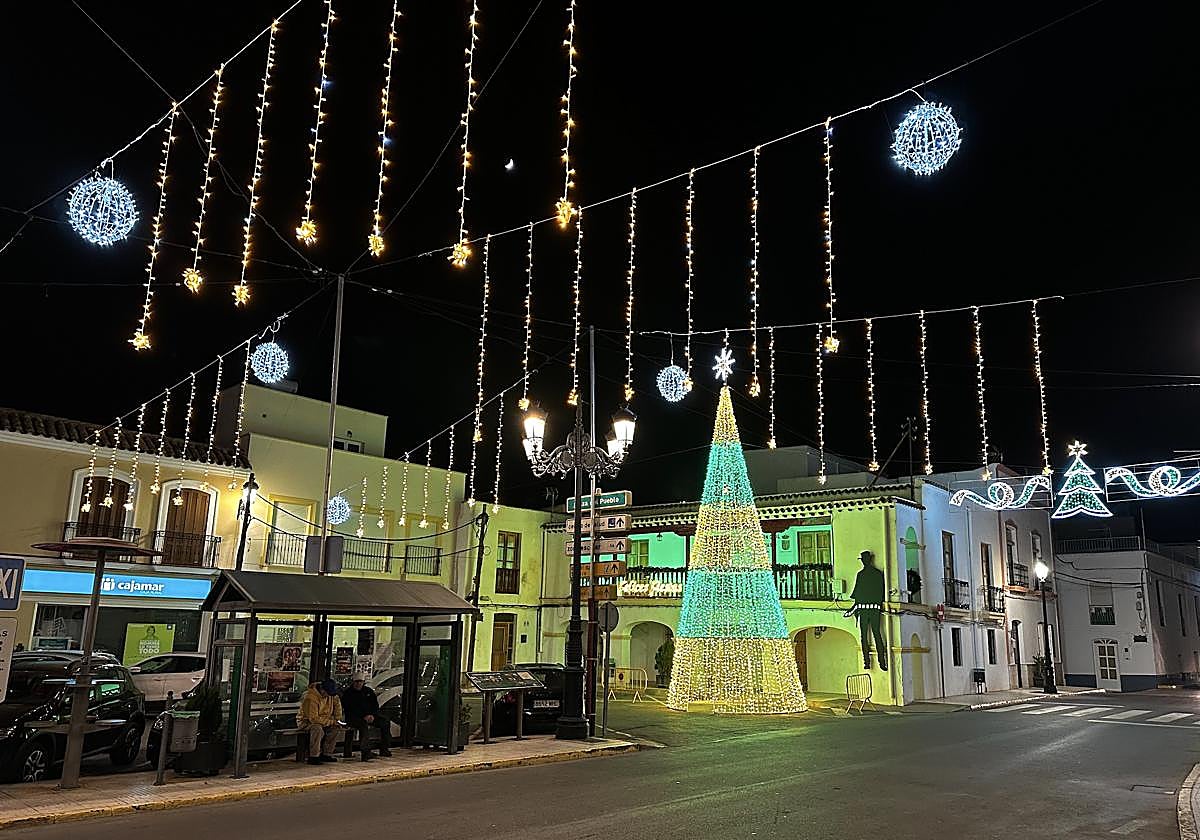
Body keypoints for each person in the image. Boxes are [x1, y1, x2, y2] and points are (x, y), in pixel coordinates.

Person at [848, 550, 887, 671]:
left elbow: (857, 593)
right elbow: (881, 592)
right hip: (875, 609)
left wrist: (855, 607)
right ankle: (882, 662)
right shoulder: (878, 574)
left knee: (864, 636)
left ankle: (867, 662)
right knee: (876, 634)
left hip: (864, 610)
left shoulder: (861, 574)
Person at [342, 674, 391, 760]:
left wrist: (372, 715)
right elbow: (349, 709)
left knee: (385, 721)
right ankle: (365, 752)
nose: (358, 684)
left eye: (360, 682)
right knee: (363, 725)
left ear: (363, 682)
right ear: (353, 682)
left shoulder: (368, 691)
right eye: (356, 682)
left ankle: (384, 749)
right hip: (354, 718)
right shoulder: (348, 693)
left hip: (369, 716)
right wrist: (363, 716)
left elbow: (375, 705)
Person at [297, 678, 343, 765]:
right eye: (327, 693)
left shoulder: (332, 695)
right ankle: (314, 756)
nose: (328, 695)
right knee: (317, 728)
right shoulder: (310, 697)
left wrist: (337, 720)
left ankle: (327, 754)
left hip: (324, 721)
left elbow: (337, 707)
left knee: (335, 728)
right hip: (306, 722)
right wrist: (331, 722)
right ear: (322, 689)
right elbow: (313, 718)